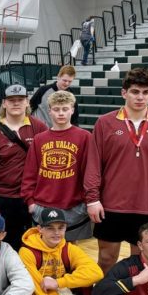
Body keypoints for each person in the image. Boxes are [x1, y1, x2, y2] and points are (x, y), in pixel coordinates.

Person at [92, 68, 148, 273]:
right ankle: (103, 293)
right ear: (124, 93)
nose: (140, 97)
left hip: (146, 206)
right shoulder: (105, 122)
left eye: (145, 92)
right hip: (110, 205)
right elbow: (93, 165)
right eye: (135, 92)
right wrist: (92, 199)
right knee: (106, 259)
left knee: (141, 263)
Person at [21, 90, 101, 242]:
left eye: (65, 109)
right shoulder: (39, 139)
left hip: (73, 206)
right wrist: (30, 202)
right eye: (56, 109)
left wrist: (86, 202)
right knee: (43, 248)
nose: (61, 113)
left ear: (72, 110)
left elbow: (90, 172)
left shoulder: (84, 137)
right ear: (49, 111)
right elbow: (30, 173)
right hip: (43, 204)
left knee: (69, 250)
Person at [0, 84, 48, 250]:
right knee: (8, 244)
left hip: (33, 197)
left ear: (27, 102)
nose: (16, 103)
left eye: (20, 99)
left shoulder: (39, 127)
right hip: (5, 198)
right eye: (11, 100)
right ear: (4, 103)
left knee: (34, 243)